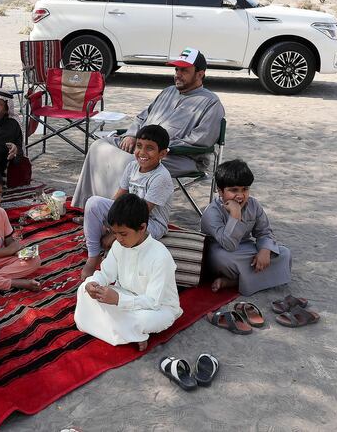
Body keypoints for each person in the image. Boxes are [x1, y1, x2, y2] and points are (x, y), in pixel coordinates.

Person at [72, 48, 224, 208]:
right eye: (176, 69)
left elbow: (201, 141)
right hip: (143, 146)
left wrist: (157, 148)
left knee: (129, 163)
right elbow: (142, 117)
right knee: (99, 146)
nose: (178, 74)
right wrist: (131, 135)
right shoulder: (168, 91)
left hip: (180, 157)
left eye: (184, 70)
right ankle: (85, 206)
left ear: (200, 74)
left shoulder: (211, 103)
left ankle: (114, 214)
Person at [75, 193, 183, 351]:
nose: (118, 239)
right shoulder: (119, 246)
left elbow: (153, 301)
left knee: (144, 319)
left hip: (157, 308)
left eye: (123, 234)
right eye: (114, 233)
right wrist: (94, 284)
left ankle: (131, 331)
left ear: (142, 228)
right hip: (124, 296)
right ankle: (132, 334)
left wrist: (119, 300)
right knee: (83, 289)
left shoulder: (160, 256)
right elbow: (105, 274)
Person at [81, 125, 173, 280]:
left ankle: (111, 262)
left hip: (150, 222)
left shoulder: (161, 177)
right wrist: (108, 221)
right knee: (94, 203)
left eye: (150, 148)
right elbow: (118, 198)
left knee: (119, 246)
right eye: (139, 146)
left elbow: (142, 214)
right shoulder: (132, 166)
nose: (142, 153)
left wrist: (114, 235)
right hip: (128, 215)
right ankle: (93, 256)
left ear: (162, 153)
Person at [200, 159, 292, 295]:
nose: (240, 195)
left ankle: (235, 281)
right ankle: (242, 279)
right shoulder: (212, 213)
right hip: (222, 250)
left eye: (245, 189)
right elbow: (228, 245)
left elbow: (264, 232)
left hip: (246, 249)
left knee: (284, 253)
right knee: (222, 259)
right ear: (220, 191)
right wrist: (235, 215)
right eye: (233, 190)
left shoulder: (253, 205)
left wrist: (265, 251)